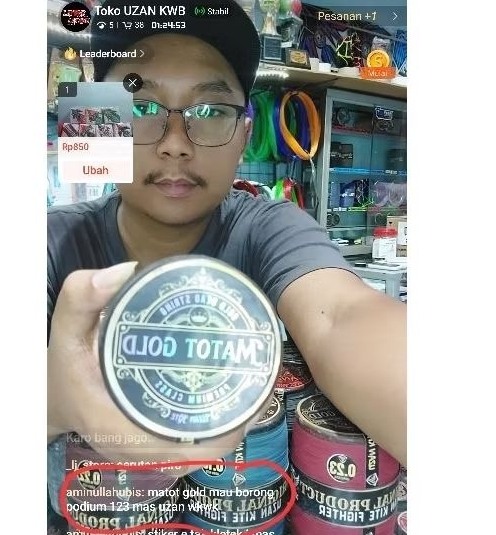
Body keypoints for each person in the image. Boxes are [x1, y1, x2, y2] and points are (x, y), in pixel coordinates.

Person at [47, 0, 406, 530]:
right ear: (96, 127)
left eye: (210, 111)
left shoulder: (271, 229)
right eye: (141, 108)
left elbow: (339, 315)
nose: (175, 145)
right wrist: (48, 402)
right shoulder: (49, 242)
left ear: (242, 135)